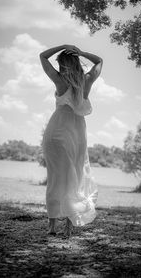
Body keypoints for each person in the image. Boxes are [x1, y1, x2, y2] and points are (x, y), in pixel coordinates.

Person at [39, 44, 103, 237]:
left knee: (55, 178)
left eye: (60, 64)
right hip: (76, 135)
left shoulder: (59, 80)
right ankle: (68, 225)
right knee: (73, 179)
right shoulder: (86, 81)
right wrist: (82, 53)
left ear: (63, 64)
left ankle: (51, 226)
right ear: (75, 62)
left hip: (56, 132)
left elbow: (42, 56)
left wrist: (63, 46)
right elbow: (99, 61)